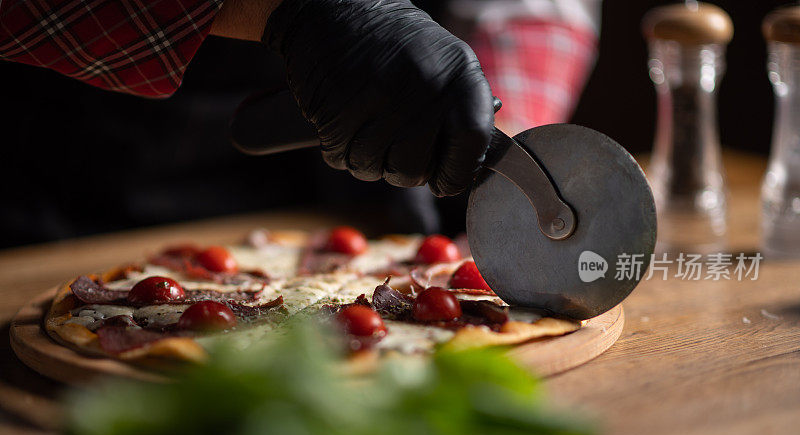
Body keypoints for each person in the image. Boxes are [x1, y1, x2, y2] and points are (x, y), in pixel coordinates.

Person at [0, 0, 599, 246]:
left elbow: (531, 9)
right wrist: (296, 7)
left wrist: (485, 127)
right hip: (55, 182)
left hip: (340, 200)